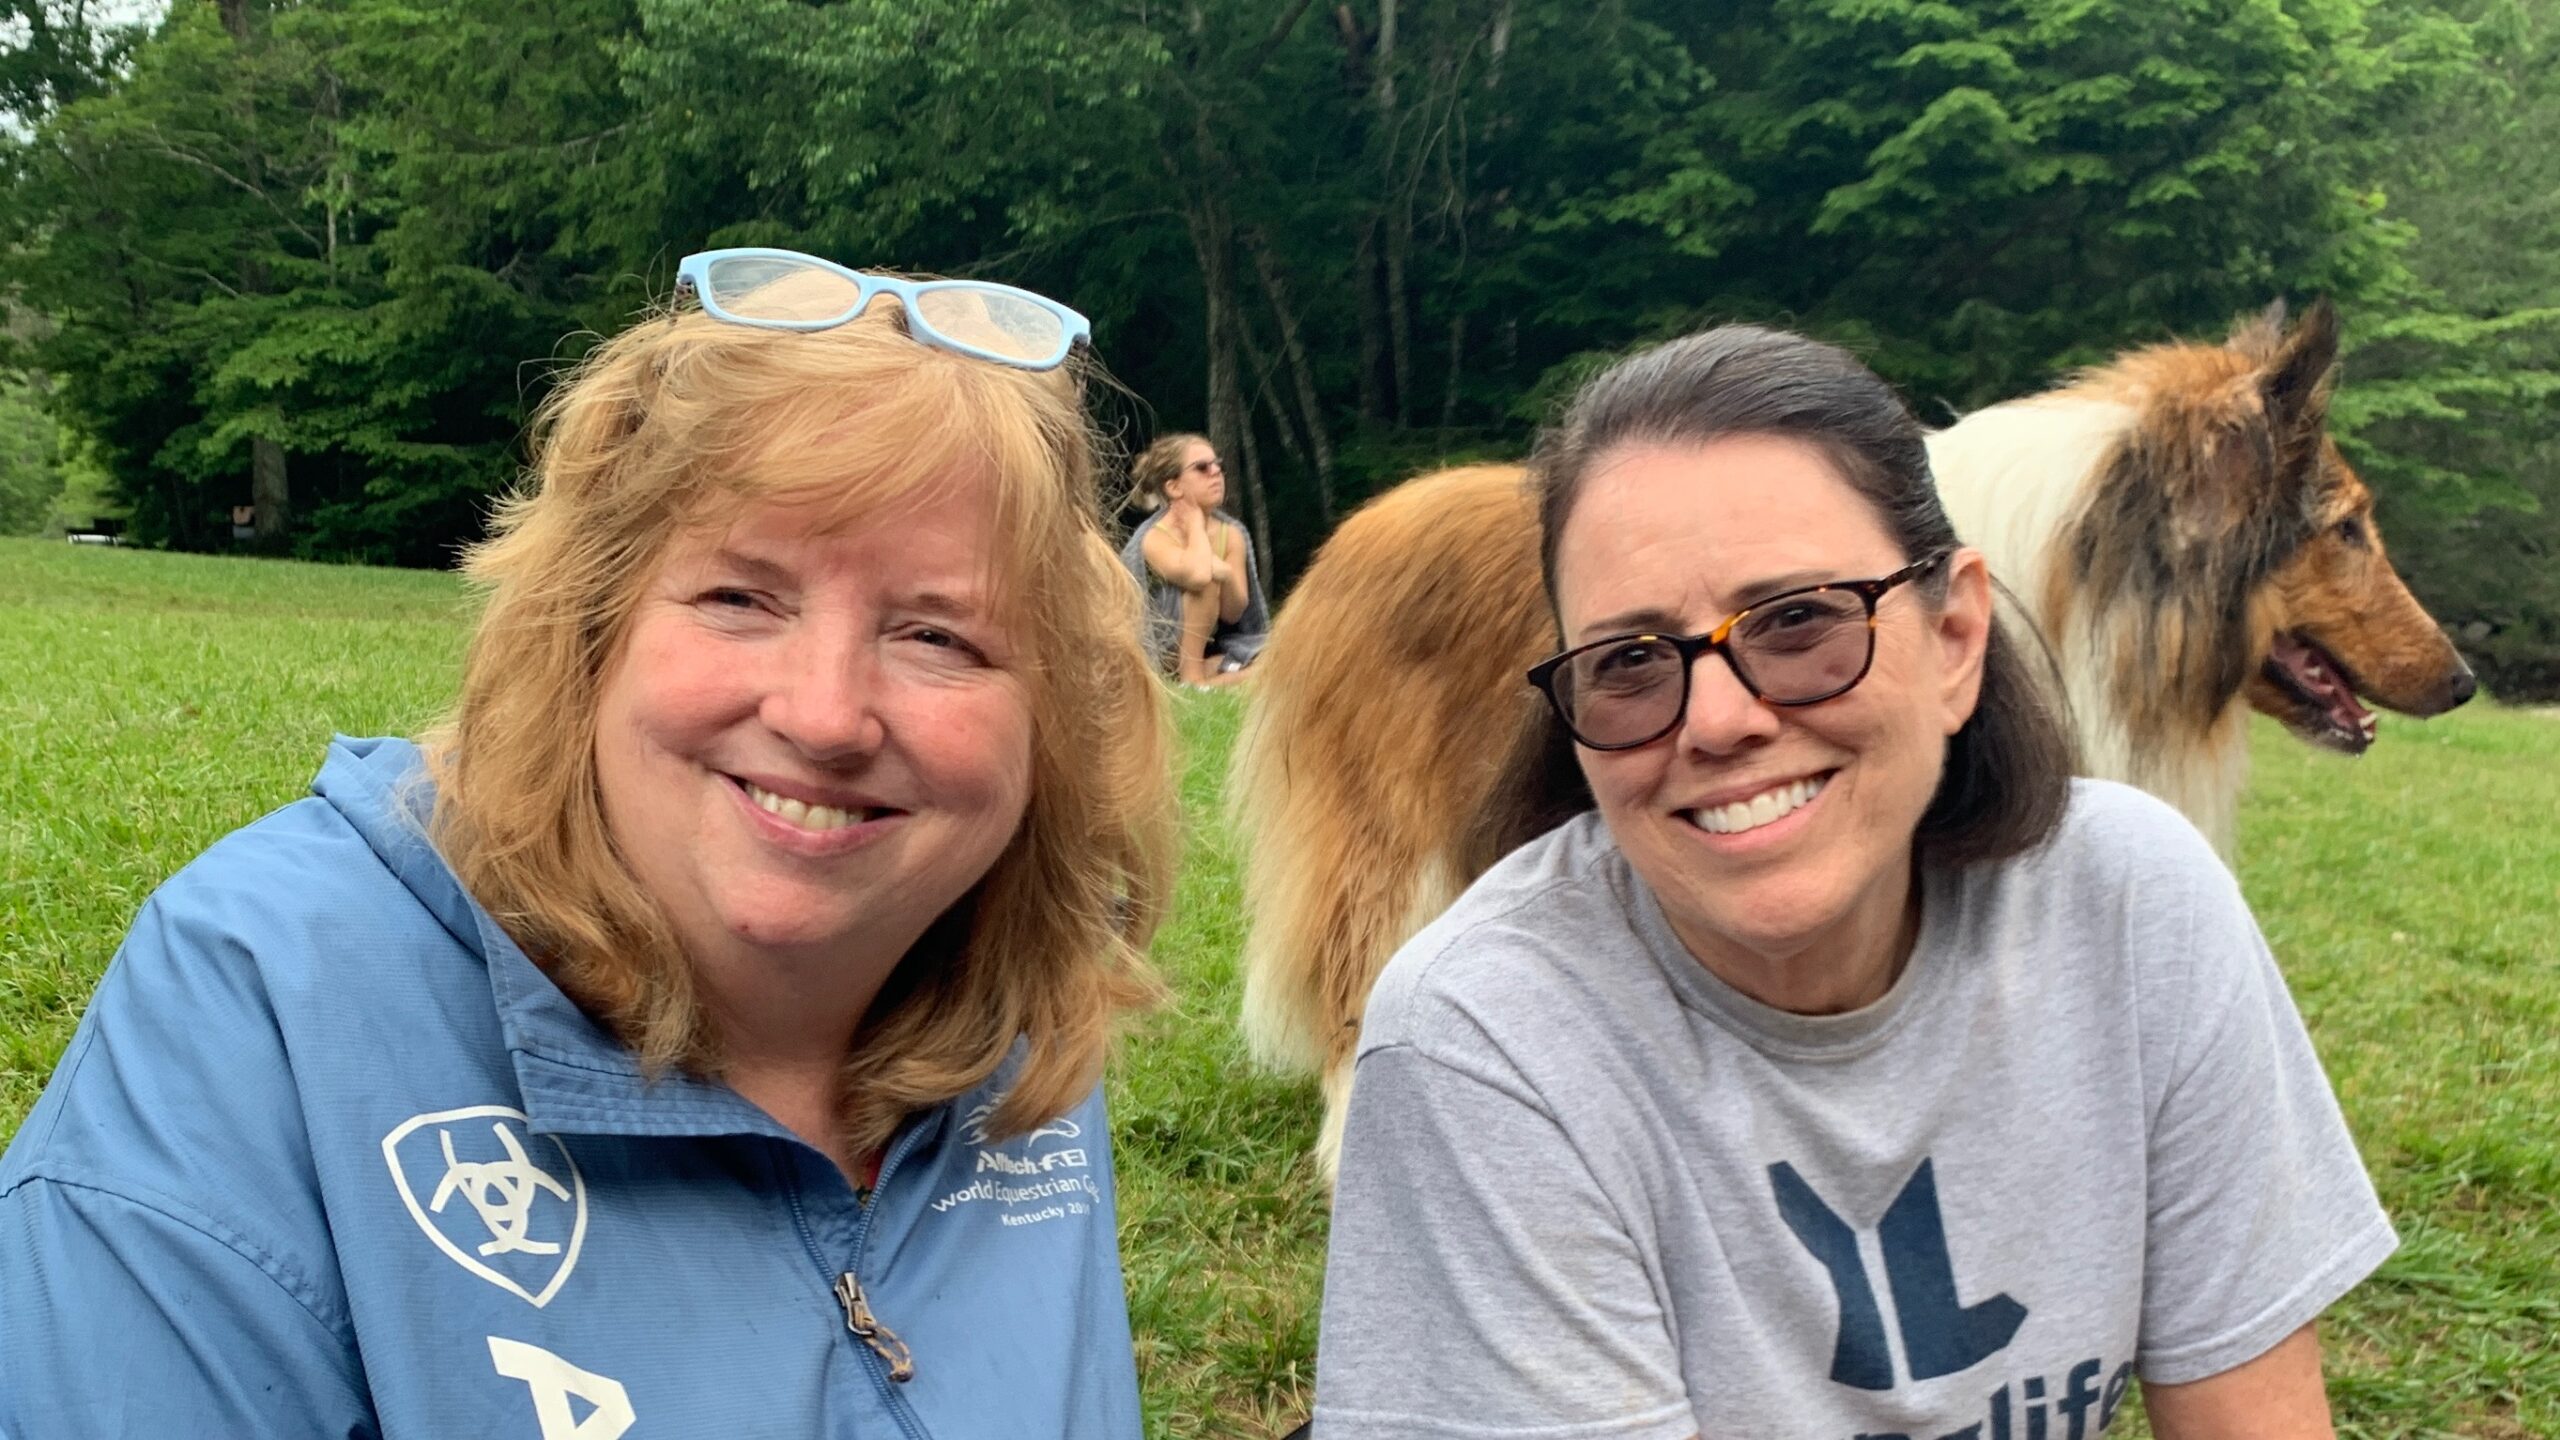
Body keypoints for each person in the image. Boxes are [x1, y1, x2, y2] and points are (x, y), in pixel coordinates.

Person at [0, 249, 1177, 1437]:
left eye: (939, 634)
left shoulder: (1011, 1038)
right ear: (589, 627)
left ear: (1050, 724)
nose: (824, 715)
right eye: (740, 597)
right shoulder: (269, 1005)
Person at [1312, 326, 2397, 1440]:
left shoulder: (2134, 901)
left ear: (1957, 636)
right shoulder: (1486, 1037)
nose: (1720, 720)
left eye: (1798, 622)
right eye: (1630, 661)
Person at [1121, 431, 1269, 685]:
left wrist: (1224, 571)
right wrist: (1196, 527)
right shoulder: (1154, 537)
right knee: (1207, 579)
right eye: (1202, 467)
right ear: (1174, 487)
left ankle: (1205, 680)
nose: (1216, 473)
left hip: (1208, 648)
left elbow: (1234, 613)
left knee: (1269, 663)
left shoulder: (1232, 534)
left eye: (1217, 465)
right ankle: (1194, 679)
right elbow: (1199, 576)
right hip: (1162, 649)